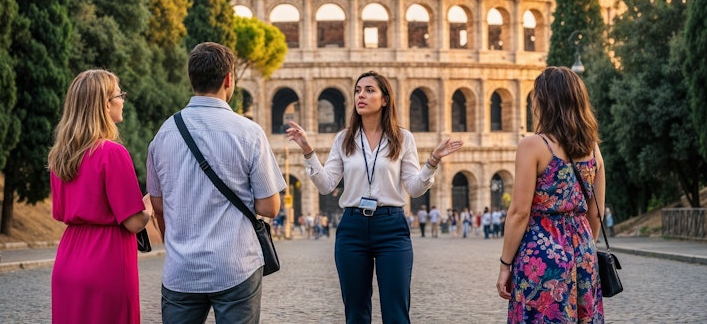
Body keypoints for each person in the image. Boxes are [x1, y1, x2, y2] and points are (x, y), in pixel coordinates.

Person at [286, 70, 464, 323]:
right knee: (356, 313)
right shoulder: (344, 139)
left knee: (396, 313)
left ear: (384, 99)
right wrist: (308, 151)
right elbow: (326, 185)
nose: (361, 95)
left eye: (369, 90)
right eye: (358, 90)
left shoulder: (403, 138)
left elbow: (414, 189)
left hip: (391, 227)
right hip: (352, 228)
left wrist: (433, 160)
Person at [147, 42, 287, 324]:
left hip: (181, 269)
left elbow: (157, 204)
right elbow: (270, 208)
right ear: (228, 79)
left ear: (192, 79)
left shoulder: (164, 133)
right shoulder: (249, 132)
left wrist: (175, 243)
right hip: (235, 265)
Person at [496, 66, 606, 323]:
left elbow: (520, 212)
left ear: (545, 101)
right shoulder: (593, 150)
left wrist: (505, 264)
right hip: (584, 251)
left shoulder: (533, 145)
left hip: (542, 251)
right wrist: (582, 247)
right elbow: (596, 213)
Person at [48, 69, 152, 324]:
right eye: (120, 94)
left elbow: (61, 212)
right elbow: (134, 221)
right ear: (106, 104)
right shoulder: (111, 153)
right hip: (107, 262)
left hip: (68, 259)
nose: (123, 100)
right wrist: (152, 200)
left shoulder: (60, 156)